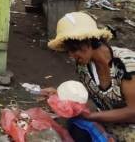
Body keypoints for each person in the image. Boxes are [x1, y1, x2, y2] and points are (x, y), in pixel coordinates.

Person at [46, 12, 135, 140]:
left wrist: (91, 116)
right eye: (68, 51)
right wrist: (60, 95)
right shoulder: (83, 66)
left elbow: (133, 112)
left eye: (74, 49)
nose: (71, 55)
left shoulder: (126, 65)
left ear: (90, 41)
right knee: (73, 126)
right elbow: (86, 95)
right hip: (112, 122)